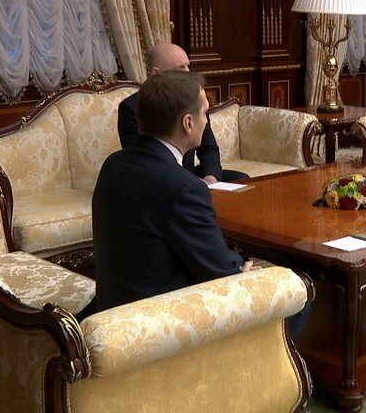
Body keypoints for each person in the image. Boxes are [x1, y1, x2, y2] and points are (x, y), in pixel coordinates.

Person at [93, 70, 307, 337]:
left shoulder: (112, 164)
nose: (206, 121)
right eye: (205, 113)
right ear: (188, 123)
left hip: (113, 306)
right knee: (296, 299)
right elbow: (218, 274)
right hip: (158, 323)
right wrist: (240, 267)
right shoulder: (183, 187)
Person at [118, 42, 248, 183]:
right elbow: (141, 161)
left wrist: (211, 178)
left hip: (188, 172)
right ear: (156, 73)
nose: (188, 73)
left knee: (239, 179)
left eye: (188, 66)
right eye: (180, 69)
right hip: (157, 178)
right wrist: (190, 183)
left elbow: (208, 148)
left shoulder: (195, 101)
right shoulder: (132, 108)